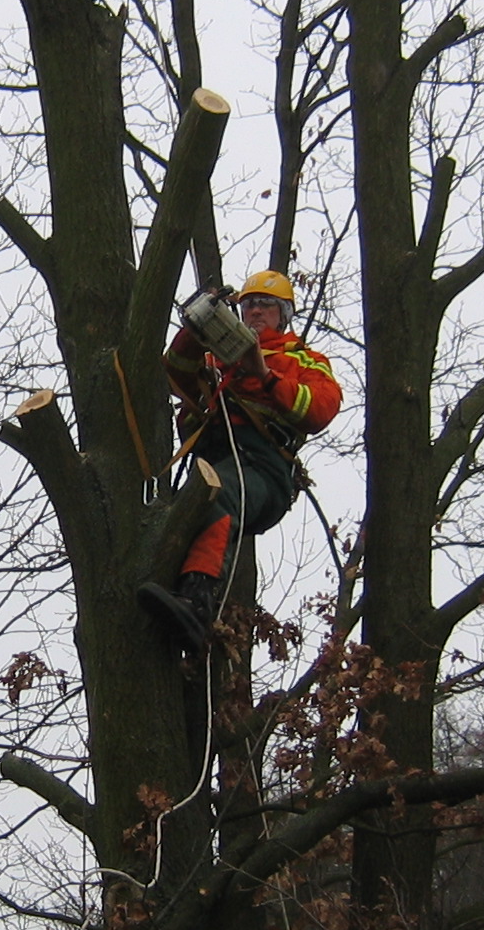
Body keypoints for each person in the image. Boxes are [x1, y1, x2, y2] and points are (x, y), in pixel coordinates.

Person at [138, 269, 341, 652]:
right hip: (214, 459)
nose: (255, 311)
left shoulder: (304, 361)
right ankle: (165, 594)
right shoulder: (218, 358)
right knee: (176, 512)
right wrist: (197, 328)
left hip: (264, 469)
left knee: (218, 496)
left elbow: (319, 409)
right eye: (249, 304)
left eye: (266, 305)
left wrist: (263, 374)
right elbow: (175, 373)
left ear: (283, 314)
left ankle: (198, 603)